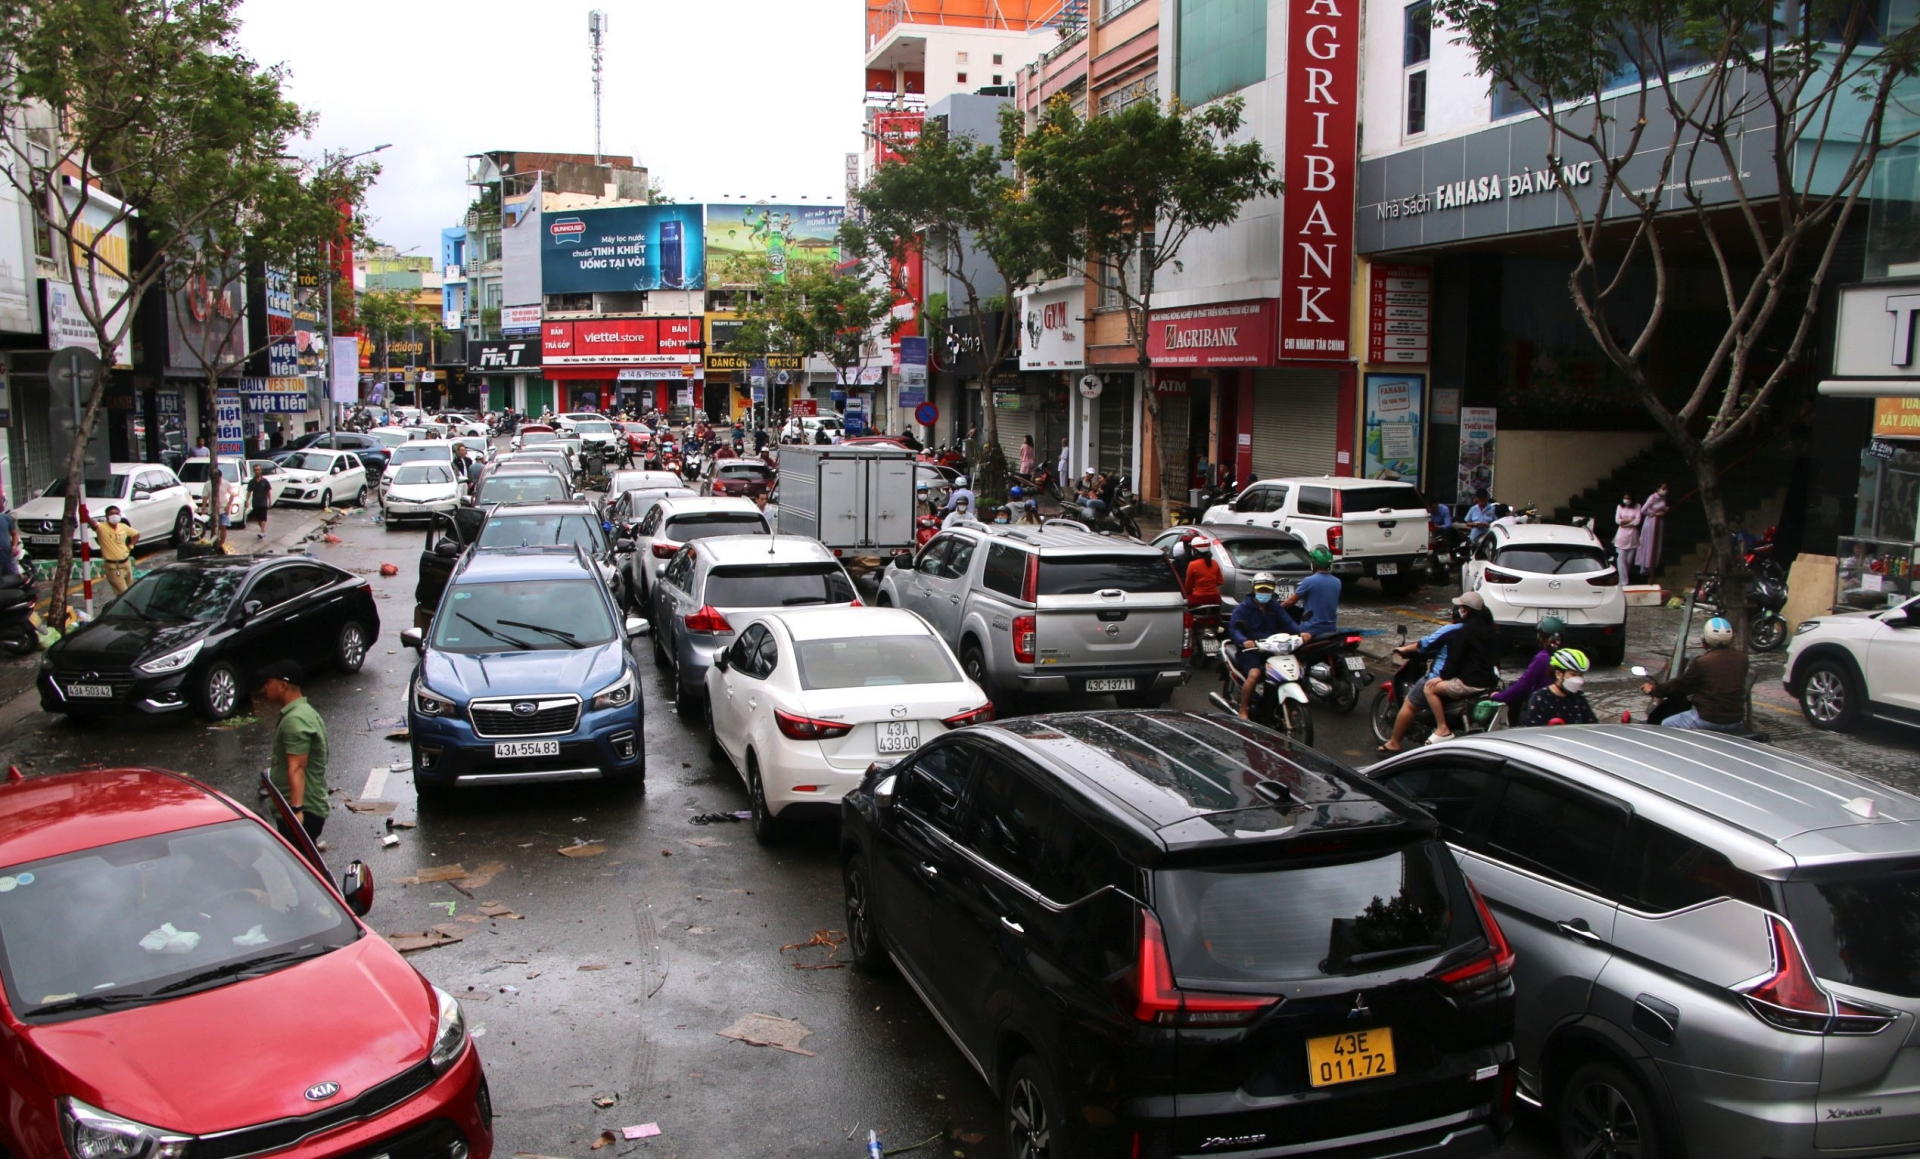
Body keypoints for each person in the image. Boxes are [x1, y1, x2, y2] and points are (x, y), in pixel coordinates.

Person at [255, 660, 330, 851]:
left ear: (283, 685)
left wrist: (296, 811)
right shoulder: (305, 712)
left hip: (301, 811)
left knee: (300, 873)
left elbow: (297, 767)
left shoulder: (294, 720)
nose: (265, 687)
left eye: (268, 682)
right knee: (307, 865)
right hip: (308, 808)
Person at [1643, 616, 1749, 731]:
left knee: (1665, 725)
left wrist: (1654, 690)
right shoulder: (1743, 659)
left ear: (1706, 638)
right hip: (1736, 721)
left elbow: (1680, 685)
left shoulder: (1702, 662)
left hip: (1708, 719)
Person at [1423, 592, 1500, 742]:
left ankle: (1442, 728)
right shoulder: (1490, 630)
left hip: (1470, 683)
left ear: (1467, 609)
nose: (1460, 609)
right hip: (1489, 681)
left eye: (1462, 607)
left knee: (1429, 688)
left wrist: (1442, 677)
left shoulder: (1466, 631)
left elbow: (1455, 658)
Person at [1229, 572, 1307, 719]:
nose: (1264, 593)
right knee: (1254, 674)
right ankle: (1243, 709)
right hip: (1251, 649)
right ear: (1254, 589)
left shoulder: (1274, 607)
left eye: (1267, 590)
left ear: (1272, 590)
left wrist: (1301, 633)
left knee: (1294, 670)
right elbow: (1234, 629)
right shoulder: (1243, 608)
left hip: (1272, 648)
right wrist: (1244, 640)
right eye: (1261, 590)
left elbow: (1288, 623)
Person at [1491, 616, 1565, 715]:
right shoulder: (1565, 656)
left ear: (1541, 638)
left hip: (1543, 708)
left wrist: (1500, 696)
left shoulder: (1542, 658)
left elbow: (1524, 685)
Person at [1522, 648, 1598, 727]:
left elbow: (1592, 724)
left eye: (1581, 675)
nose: (1578, 679)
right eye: (1573, 674)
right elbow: (1533, 731)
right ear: (1558, 674)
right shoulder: (1540, 698)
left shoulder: (1578, 696)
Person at [1287, 548, 1342, 639]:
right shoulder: (1337, 582)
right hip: (1331, 629)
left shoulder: (1309, 581)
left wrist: (1278, 607)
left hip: (1310, 630)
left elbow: (1291, 601)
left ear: (1314, 564)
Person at [89, 505, 139, 595]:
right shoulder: (101, 528)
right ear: (107, 517)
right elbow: (93, 524)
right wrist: (85, 516)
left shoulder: (123, 526)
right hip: (114, 567)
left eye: (116, 513)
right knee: (124, 593)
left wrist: (131, 545)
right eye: (111, 514)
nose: (114, 515)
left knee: (130, 591)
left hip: (126, 563)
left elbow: (136, 534)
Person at [1636, 482, 1670, 576]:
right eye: (1663, 488)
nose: (1665, 490)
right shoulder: (1652, 498)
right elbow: (1643, 510)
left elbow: (1662, 507)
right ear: (1658, 489)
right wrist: (1654, 514)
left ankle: (1653, 565)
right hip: (1651, 521)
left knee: (1657, 543)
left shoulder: (1663, 498)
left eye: (1666, 488)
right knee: (1650, 543)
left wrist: (1664, 510)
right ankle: (1646, 565)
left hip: (1660, 521)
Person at [1181, 535, 1224, 607]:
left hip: (1198, 599)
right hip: (1215, 598)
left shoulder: (1193, 564)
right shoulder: (1214, 563)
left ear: (1195, 551)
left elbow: (1188, 587)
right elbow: (1220, 581)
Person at [1614, 493, 1642, 582]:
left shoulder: (1637, 506)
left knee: (1628, 561)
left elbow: (1637, 521)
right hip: (1621, 536)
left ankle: (1624, 578)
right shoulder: (1620, 506)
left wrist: (1626, 522)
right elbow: (1618, 521)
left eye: (1628, 498)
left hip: (1632, 536)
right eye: (1625, 498)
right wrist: (1631, 521)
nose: (1626, 500)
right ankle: (1624, 582)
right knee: (1621, 560)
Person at [247, 464, 273, 538]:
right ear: (253, 471)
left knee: (263, 517)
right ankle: (263, 530)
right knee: (257, 518)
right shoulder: (251, 482)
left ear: (260, 470)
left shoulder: (265, 481)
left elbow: (268, 491)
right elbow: (249, 492)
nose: (257, 471)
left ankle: (262, 531)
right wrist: (247, 500)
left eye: (258, 470)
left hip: (263, 502)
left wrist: (270, 500)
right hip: (255, 502)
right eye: (256, 470)